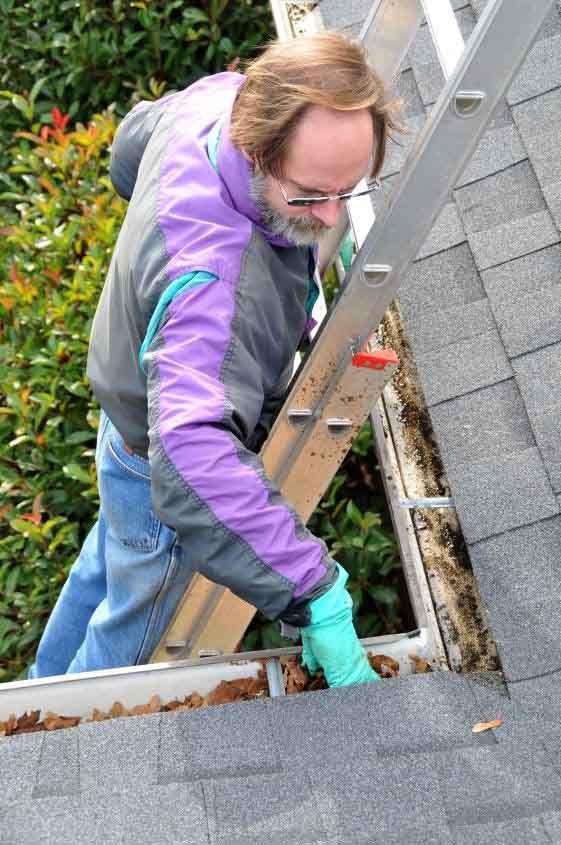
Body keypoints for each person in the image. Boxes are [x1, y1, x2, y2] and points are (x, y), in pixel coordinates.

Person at [29, 32, 398, 686]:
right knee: (128, 634)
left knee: (107, 564)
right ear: (257, 151)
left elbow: (127, 150)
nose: (331, 215)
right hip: (154, 458)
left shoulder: (214, 102)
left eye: (350, 190)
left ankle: (37, 684)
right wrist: (310, 590)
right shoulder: (214, 288)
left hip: (126, 425)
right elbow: (191, 459)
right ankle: (48, 749)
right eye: (310, 195)